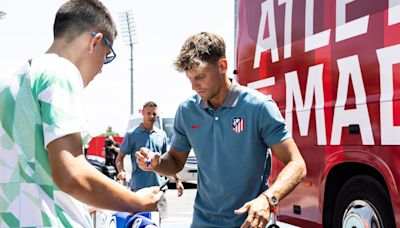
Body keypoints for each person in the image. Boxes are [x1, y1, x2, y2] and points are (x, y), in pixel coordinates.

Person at [0, 1, 162, 227]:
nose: (102, 68)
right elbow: (72, 175)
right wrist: (136, 201)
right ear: (95, 42)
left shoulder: (10, 81)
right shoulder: (60, 72)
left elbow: (36, 179)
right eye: (106, 55)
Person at [135, 32, 307, 227]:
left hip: (248, 222)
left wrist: (268, 199)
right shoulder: (186, 111)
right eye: (189, 78)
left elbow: (297, 164)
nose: (194, 86)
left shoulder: (259, 106)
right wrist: (157, 163)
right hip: (202, 221)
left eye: (200, 76)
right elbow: (175, 161)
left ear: (222, 66)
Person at [116, 101, 184, 220]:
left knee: (158, 222)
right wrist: (121, 171)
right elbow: (119, 157)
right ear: (142, 113)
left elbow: (169, 161)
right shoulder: (132, 134)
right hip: (139, 189)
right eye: (149, 113)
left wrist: (177, 180)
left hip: (159, 188)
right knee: (140, 222)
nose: (152, 117)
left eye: (154, 114)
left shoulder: (161, 135)